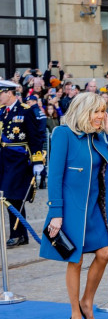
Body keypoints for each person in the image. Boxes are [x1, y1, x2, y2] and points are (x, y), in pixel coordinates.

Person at [40, 93, 108, 319]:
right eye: (96, 112)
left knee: (105, 252)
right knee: (74, 260)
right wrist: (56, 213)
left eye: (103, 112)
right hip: (70, 211)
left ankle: (87, 302)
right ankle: (75, 314)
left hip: (95, 210)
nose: (100, 116)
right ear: (82, 111)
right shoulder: (63, 134)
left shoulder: (98, 136)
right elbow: (54, 176)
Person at [0, 80, 43, 247]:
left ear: (9, 93)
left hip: (19, 159)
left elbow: (35, 137)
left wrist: (37, 160)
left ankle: (17, 234)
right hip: (4, 159)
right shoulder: (2, 112)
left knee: (14, 196)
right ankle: (21, 235)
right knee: (10, 196)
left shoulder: (25, 111)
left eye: (1, 93)